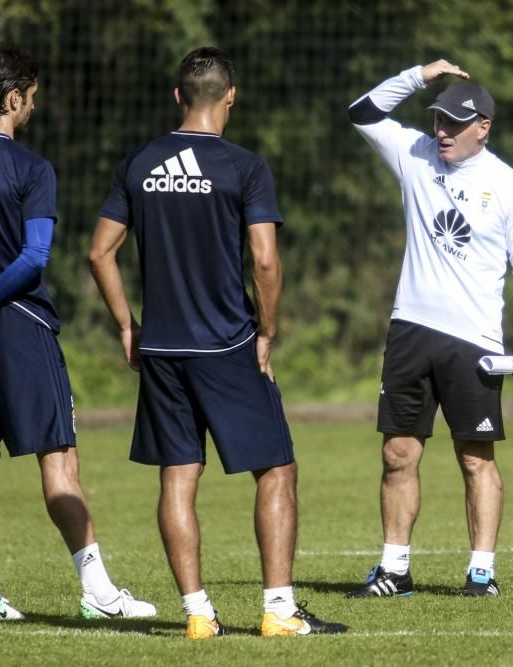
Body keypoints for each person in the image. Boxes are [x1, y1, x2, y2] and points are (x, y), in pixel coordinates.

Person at [88, 46, 347, 639]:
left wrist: (129, 326)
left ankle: (198, 615)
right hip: (228, 344)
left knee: (178, 476)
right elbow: (264, 258)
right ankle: (279, 611)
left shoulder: (139, 162)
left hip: (162, 349)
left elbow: (99, 251)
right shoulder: (244, 166)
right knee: (276, 470)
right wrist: (268, 330)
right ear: (231, 96)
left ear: (179, 96)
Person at [0, 46, 157, 622]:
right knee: (59, 458)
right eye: (32, 98)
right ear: (13, 98)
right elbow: (34, 256)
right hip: (19, 325)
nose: (33, 107)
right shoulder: (32, 169)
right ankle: (97, 591)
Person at [345, 60, 513, 598]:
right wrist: (419, 75)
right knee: (397, 455)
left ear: (484, 126)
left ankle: (481, 573)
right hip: (410, 331)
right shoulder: (414, 156)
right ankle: (394, 570)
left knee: (475, 458)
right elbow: (362, 112)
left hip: (473, 342)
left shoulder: (511, 187)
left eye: (455, 124)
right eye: (438, 120)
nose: (442, 132)